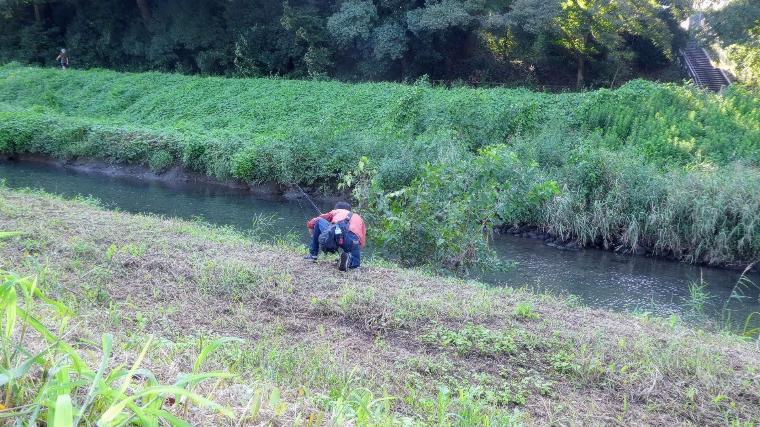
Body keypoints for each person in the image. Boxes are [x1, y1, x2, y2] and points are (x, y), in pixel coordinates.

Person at [305, 201, 366, 271]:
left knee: (319, 222)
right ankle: (352, 262)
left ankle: (313, 255)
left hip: (338, 235)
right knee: (354, 259)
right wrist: (355, 251)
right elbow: (362, 241)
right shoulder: (359, 218)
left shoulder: (337, 211)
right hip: (353, 241)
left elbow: (317, 220)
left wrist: (312, 233)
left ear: (336, 208)